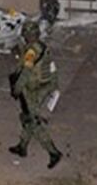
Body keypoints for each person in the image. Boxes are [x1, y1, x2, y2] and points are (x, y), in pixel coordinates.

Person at [8, 21, 63, 169]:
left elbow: (26, 71)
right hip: (44, 86)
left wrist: (17, 88)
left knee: (33, 120)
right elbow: (52, 70)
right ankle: (22, 145)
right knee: (27, 115)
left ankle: (53, 152)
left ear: (26, 35)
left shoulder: (32, 51)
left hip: (34, 89)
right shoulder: (42, 46)